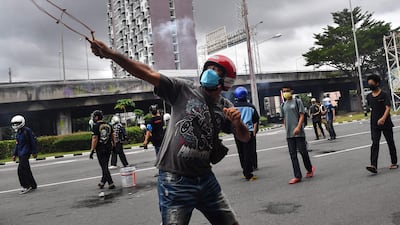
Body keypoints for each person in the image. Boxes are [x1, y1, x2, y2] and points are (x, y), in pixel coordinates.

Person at [90, 38, 250, 225]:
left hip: (206, 178)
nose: (210, 73)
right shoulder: (183, 89)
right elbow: (147, 72)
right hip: (175, 181)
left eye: (216, 71)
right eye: (209, 68)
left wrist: (238, 123)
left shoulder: (225, 107)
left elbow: (244, 137)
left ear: (226, 81)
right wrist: (111, 54)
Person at [281, 86, 315, 184]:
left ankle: (309, 169)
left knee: (303, 152)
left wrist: (298, 127)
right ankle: (297, 176)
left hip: (298, 132)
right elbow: (284, 118)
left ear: (291, 91)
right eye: (284, 91)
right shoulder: (283, 104)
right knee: (293, 155)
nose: (286, 93)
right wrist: (286, 128)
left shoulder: (297, 101)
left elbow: (302, 115)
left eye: (287, 91)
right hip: (289, 134)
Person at [365, 75, 398, 173]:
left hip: (386, 122)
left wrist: (383, 118)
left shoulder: (384, 95)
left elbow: (388, 107)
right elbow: (371, 108)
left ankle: (394, 162)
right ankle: (373, 165)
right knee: (375, 143)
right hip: (374, 124)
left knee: (390, 142)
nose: (370, 85)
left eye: (372, 83)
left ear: (377, 83)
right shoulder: (369, 96)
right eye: (369, 83)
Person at [233, 86, 259, 181]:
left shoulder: (233, 107)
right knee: (248, 152)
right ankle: (249, 173)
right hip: (248, 132)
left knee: (241, 152)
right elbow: (255, 119)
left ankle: (244, 171)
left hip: (237, 132)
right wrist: (254, 131)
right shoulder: (251, 107)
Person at [89, 110, 116, 189]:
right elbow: (113, 136)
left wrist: (92, 150)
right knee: (105, 165)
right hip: (108, 147)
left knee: (104, 166)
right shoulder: (108, 125)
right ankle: (102, 182)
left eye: (94, 117)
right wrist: (114, 146)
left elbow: (95, 138)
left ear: (97, 117)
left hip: (100, 148)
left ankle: (111, 182)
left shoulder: (96, 126)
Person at [11, 115, 38, 194]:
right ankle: (33, 185)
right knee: (26, 169)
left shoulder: (27, 130)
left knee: (21, 170)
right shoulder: (18, 133)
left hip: (25, 153)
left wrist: (34, 152)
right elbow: (17, 144)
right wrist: (14, 154)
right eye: (14, 123)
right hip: (20, 153)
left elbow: (32, 141)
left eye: (17, 123)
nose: (15, 125)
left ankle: (26, 186)